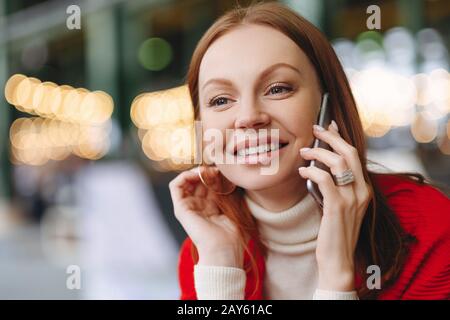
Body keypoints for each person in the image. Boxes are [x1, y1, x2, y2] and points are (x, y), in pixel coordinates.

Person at [169, 2, 450, 300]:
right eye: (221, 100)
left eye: (278, 88)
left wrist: (336, 273)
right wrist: (221, 265)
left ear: (328, 105)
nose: (249, 117)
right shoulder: (206, 248)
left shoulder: (428, 226)